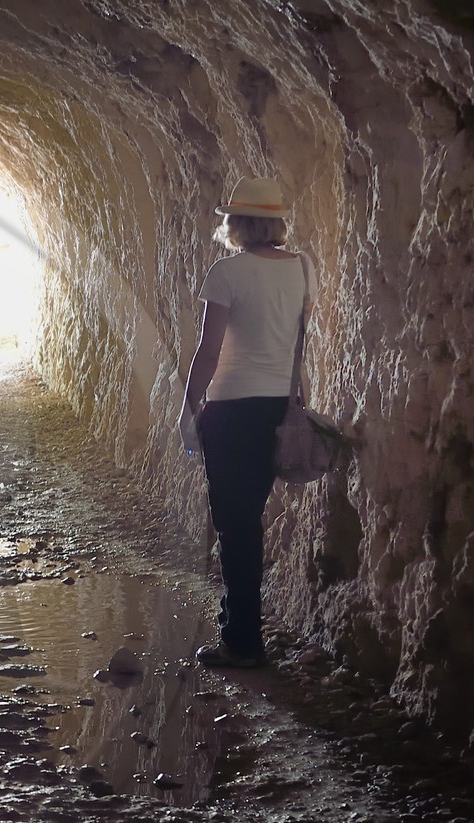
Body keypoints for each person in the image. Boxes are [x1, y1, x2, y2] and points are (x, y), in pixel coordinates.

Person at [179, 177, 315, 669]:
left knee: (234, 526)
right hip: (277, 408)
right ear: (276, 222)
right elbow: (296, 339)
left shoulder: (227, 272)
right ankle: (242, 627)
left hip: (231, 409)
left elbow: (209, 350)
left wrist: (189, 407)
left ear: (236, 223)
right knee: (247, 521)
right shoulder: (303, 267)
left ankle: (242, 640)